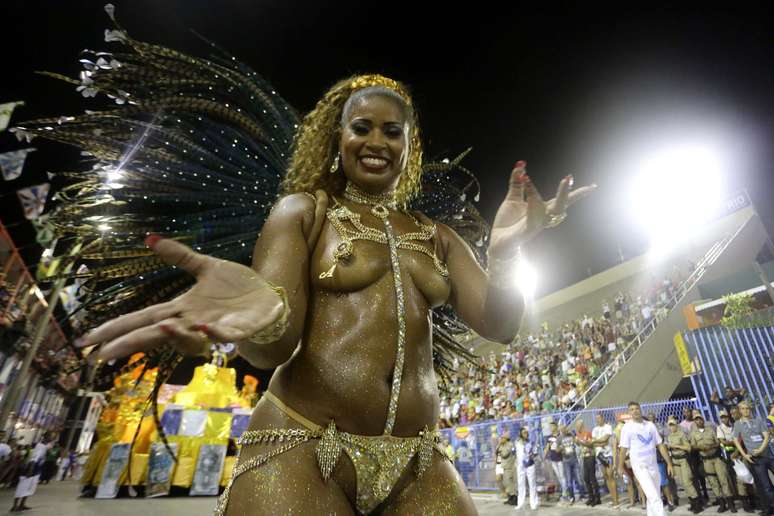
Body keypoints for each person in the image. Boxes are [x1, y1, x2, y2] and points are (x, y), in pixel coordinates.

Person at [22, 9, 595, 514]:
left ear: (408, 146)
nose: (377, 141)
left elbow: (501, 324)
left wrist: (508, 252)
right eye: (362, 127)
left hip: (417, 458)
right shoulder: (304, 214)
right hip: (299, 445)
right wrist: (260, 317)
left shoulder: (437, 237)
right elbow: (274, 343)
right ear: (337, 139)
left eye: (392, 132)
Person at [618, 401, 674, 516]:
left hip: (653, 465)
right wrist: (619, 466)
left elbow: (660, 445)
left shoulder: (650, 425)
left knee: (654, 495)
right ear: (629, 412)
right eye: (632, 409)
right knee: (654, 497)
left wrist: (669, 463)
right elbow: (623, 449)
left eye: (636, 408)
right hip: (640, 467)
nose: (635, 411)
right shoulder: (627, 428)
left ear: (640, 409)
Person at [690, 411, 736, 512]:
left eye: (700, 419)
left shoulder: (710, 430)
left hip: (716, 458)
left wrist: (710, 446)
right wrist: (700, 447)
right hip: (706, 461)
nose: (698, 421)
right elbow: (693, 446)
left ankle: (730, 503)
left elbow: (718, 442)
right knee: (713, 481)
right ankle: (722, 503)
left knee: (723, 479)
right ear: (694, 422)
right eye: (696, 420)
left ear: (703, 420)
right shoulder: (693, 433)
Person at [734, 400, 774, 516]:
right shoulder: (738, 424)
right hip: (756, 460)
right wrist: (744, 454)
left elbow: (766, 436)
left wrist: (761, 449)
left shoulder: (758, 420)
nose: (746, 411)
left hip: (768, 456)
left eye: (747, 408)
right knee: (766, 486)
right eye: (743, 408)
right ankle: (771, 507)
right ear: (740, 410)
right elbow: (736, 440)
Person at [666, 416, 702, 514]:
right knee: (682, 483)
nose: (671, 427)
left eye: (673, 424)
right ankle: (692, 502)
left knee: (687, 482)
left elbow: (688, 448)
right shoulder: (669, 436)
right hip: (675, 461)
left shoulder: (681, 434)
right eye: (670, 425)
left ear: (676, 425)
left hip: (684, 460)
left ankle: (698, 504)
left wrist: (676, 446)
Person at [592, 413, 619, 507]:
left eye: (599, 418)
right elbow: (595, 443)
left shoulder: (608, 427)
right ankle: (613, 498)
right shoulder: (595, 429)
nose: (598, 420)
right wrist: (600, 442)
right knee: (606, 477)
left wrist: (597, 441)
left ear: (603, 418)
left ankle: (616, 501)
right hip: (599, 455)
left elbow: (606, 439)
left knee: (611, 476)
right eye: (596, 418)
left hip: (608, 455)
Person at [575, 419, 601, 506]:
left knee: (592, 478)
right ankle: (591, 497)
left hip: (590, 456)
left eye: (578, 425)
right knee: (586, 478)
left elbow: (591, 444)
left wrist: (582, 443)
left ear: (581, 425)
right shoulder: (578, 435)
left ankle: (597, 498)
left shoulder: (588, 433)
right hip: (584, 457)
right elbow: (579, 445)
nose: (576, 427)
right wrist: (577, 442)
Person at [514, 426, 539, 511]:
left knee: (532, 484)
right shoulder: (517, 442)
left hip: (530, 464)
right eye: (523, 432)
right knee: (521, 485)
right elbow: (514, 453)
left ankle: (534, 503)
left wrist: (533, 455)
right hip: (520, 466)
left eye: (526, 432)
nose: (525, 434)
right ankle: (520, 503)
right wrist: (515, 461)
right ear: (520, 433)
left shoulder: (531, 442)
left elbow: (535, 453)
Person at [544, 421, 567, 505]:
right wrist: (545, 454)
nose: (550, 428)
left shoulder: (560, 436)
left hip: (560, 458)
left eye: (552, 426)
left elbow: (563, 446)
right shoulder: (549, 437)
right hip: (553, 459)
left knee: (562, 476)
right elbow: (547, 448)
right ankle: (564, 491)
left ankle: (565, 493)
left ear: (556, 427)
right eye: (550, 427)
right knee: (558, 476)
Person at [560, 423, 584, 504]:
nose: (564, 430)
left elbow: (577, 443)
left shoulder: (571, 435)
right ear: (560, 430)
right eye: (562, 429)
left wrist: (574, 438)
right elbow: (556, 450)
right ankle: (571, 497)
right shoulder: (559, 438)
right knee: (569, 481)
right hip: (566, 462)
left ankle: (582, 495)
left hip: (574, 460)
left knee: (579, 479)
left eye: (565, 428)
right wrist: (561, 449)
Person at [497, 431, 517, 505]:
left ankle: (514, 498)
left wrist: (500, 449)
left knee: (510, 482)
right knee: (506, 483)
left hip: (509, 466)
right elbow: (496, 452)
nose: (500, 439)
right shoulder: (501, 445)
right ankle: (510, 498)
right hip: (503, 466)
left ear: (506, 438)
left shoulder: (510, 445)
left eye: (502, 438)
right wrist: (499, 445)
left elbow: (504, 454)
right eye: (501, 438)